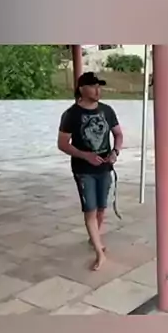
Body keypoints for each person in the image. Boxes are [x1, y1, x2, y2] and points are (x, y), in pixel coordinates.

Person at [58, 72, 123, 270]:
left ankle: (93, 238)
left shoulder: (107, 110)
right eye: (93, 86)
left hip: (105, 167)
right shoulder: (71, 114)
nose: (98, 90)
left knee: (102, 208)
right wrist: (85, 155)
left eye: (99, 86)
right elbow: (62, 144)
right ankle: (99, 252)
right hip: (83, 170)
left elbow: (118, 134)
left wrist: (115, 152)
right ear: (81, 89)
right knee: (90, 210)